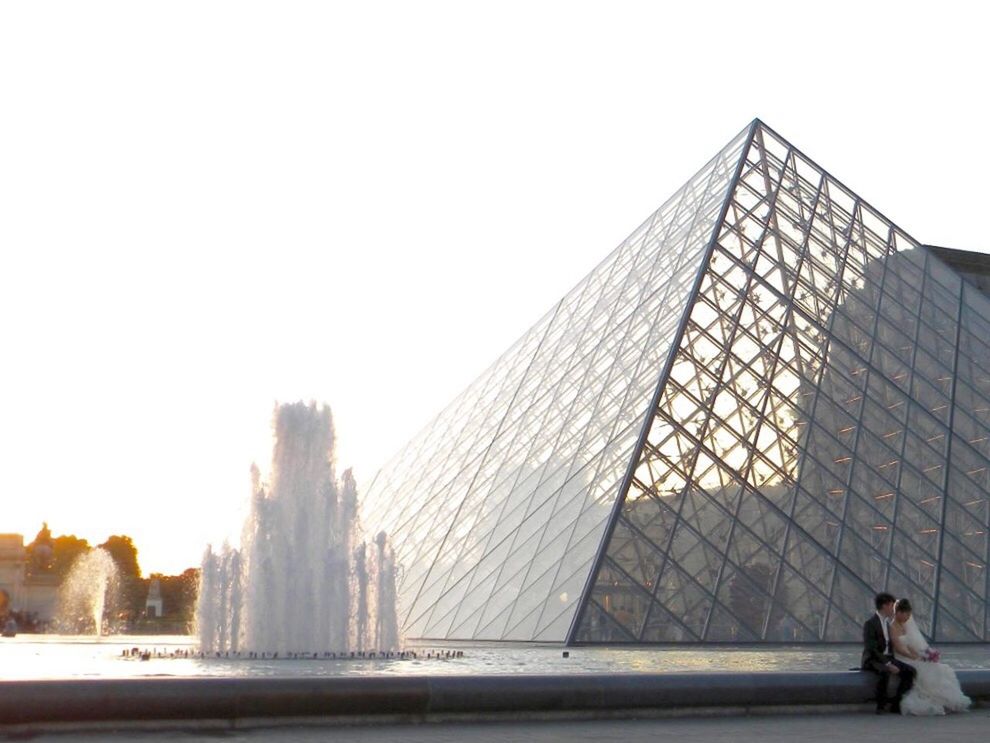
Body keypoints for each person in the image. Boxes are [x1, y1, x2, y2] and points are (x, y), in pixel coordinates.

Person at [889, 598, 971, 715]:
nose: (908, 618)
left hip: (908, 657)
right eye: (907, 615)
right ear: (899, 613)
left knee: (935, 668)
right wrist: (914, 657)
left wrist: (920, 655)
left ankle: (942, 701)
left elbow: (909, 646)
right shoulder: (892, 627)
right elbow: (899, 648)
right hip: (901, 658)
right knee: (926, 670)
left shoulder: (902, 626)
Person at [861, 591, 915, 713]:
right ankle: (881, 706)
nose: (893, 609)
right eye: (892, 605)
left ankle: (896, 704)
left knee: (911, 672)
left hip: (887, 657)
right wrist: (887, 664)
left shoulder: (887, 623)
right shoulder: (870, 624)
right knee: (885, 672)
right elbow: (871, 648)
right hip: (873, 659)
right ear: (885, 606)